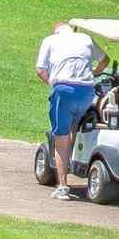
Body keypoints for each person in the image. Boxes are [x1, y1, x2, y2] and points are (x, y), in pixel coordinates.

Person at [34, 20, 107, 198]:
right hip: (86, 92)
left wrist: (52, 81)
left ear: (57, 31)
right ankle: (71, 163)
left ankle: (63, 186)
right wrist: (93, 73)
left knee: (61, 137)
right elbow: (105, 60)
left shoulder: (50, 40)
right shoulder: (85, 38)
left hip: (64, 90)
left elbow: (40, 70)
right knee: (73, 128)